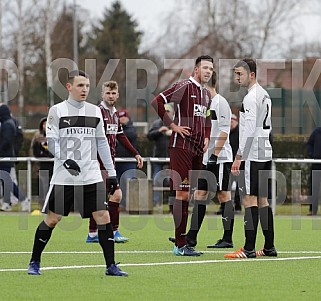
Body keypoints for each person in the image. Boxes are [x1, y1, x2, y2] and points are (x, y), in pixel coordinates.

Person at [27, 70, 128, 276]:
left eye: (87, 86)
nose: (85, 90)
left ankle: (111, 265)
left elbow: (102, 142)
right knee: (53, 219)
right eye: (80, 85)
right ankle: (34, 261)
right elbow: (51, 142)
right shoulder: (57, 110)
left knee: (103, 216)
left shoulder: (94, 111)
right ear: (69, 87)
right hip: (65, 176)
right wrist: (66, 160)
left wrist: (111, 173)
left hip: (91, 175)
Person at [151, 55, 214, 256]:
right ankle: (179, 244)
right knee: (183, 193)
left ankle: (183, 240)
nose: (208, 71)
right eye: (205, 68)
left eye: (211, 69)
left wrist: (206, 137)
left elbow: (207, 118)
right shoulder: (184, 86)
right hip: (181, 147)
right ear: (196, 69)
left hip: (197, 149)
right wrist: (172, 125)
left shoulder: (206, 94)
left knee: (188, 195)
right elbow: (157, 102)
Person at [169, 71, 235, 249]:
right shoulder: (205, 102)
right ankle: (190, 237)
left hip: (220, 158)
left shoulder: (220, 102)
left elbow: (224, 131)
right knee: (200, 194)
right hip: (206, 157)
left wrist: (215, 155)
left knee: (223, 195)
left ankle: (227, 238)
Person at [224, 58, 277, 259]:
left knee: (249, 199)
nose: (237, 77)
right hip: (265, 150)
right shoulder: (264, 95)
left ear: (251, 75)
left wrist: (239, 156)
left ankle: (248, 249)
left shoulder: (250, 98)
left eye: (240, 74)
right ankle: (269, 247)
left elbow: (250, 130)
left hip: (254, 153)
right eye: (236, 73)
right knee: (262, 199)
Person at [86, 81, 143, 243]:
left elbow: (121, 136)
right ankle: (112, 231)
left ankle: (93, 233)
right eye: (108, 93)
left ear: (117, 95)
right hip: (98, 162)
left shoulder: (115, 113)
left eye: (113, 93)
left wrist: (136, 153)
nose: (110, 96)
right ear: (102, 94)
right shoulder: (98, 112)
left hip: (109, 162)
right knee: (115, 195)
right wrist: (93, 159)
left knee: (102, 197)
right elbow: (90, 138)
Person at [0, 104, 30, 212]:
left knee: (7, 180)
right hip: (6, 156)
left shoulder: (7, 124)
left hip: (5, 157)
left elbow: (6, 141)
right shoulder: (8, 123)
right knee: (6, 180)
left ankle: (23, 200)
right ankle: (7, 203)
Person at [147, 103, 173, 208]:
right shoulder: (157, 124)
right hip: (158, 158)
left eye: (168, 112)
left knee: (175, 182)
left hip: (172, 159)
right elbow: (149, 136)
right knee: (156, 181)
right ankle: (156, 203)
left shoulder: (176, 123)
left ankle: (174, 204)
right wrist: (159, 131)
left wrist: (173, 133)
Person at [115, 109, 140, 209]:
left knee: (128, 183)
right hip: (116, 161)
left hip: (128, 161)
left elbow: (130, 135)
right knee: (115, 184)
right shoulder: (115, 128)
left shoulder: (131, 128)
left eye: (124, 117)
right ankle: (117, 205)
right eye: (120, 117)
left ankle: (129, 205)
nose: (122, 119)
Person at [30, 117, 54, 208]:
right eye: (44, 124)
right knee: (44, 186)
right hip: (42, 166)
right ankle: (44, 206)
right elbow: (34, 151)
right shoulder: (37, 137)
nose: (45, 126)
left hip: (53, 166)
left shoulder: (55, 136)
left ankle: (53, 205)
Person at [307, 127, 321, 215]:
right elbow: (309, 144)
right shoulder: (316, 132)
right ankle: (313, 210)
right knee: (314, 188)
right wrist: (312, 155)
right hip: (316, 164)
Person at [229, 114, 242, 212]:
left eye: (232, 121)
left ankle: (237, 206)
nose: (230, 123)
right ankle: (225, 206)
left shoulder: (240, 133)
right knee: (226, 185)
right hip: (228, 162)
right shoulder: (226, 133)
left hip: (238, 163)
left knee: (239, 185)